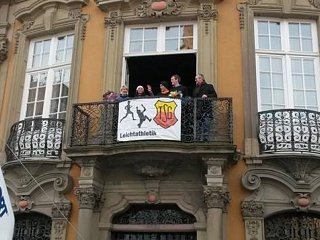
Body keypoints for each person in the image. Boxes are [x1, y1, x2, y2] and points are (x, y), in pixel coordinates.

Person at [192, 74, 217, 141]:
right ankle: (197, 140)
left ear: (201, 79)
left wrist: (207, 96)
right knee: (198, 127)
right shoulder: (195, 89)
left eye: (196, 79)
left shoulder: (209, 86)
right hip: (198, 110)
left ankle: (205, 140)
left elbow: (215, 95)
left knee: (206, 126)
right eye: (195, 79)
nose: (195, 80)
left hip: (206, 110)